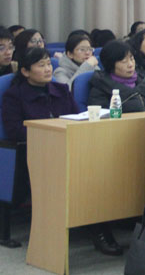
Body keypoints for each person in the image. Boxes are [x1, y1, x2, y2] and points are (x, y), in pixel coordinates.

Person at [2, 47, 122, 255]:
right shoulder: (14, 96)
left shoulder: (61, 90)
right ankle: (100, 231)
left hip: (69, 148)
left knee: (102, 169)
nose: (48, 69)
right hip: (35, 153)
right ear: (25, 71)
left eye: (49, 64)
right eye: (41, 65)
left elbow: (77, 117)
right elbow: (14, 130)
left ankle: (101, 222)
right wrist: (49, 133)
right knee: (84, 176)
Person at [88, 40, 145, 113]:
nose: (130, 65)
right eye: (124, 61)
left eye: (132, 59)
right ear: (111, 65)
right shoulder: (100, 89)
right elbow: (103, 116)